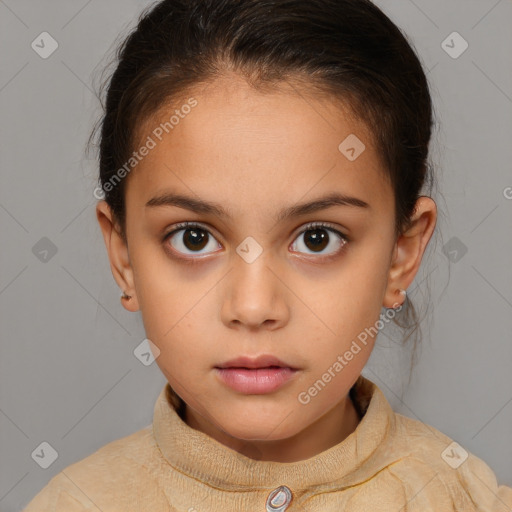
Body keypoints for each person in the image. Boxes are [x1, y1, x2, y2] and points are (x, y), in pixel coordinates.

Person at [23, 0, 512, 510]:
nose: (254, 307)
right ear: (123, 256)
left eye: (317, 239)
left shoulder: (464, 498)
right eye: (193, 238)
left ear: (401, 254)